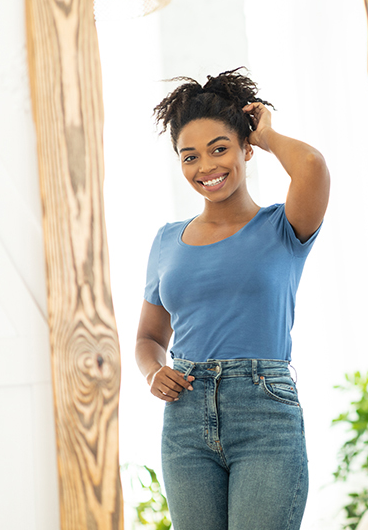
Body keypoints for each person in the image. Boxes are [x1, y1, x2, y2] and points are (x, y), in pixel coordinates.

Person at [135, 68, 330, 530]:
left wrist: (267, 134)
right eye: (190, 156)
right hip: (185, 420)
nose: (205, 167)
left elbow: (311, 166)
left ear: (245, 148)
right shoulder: (166, 241)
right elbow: (149, 338)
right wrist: (153, 372)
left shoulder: (283, 226)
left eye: (219, 148)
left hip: (264, 415)